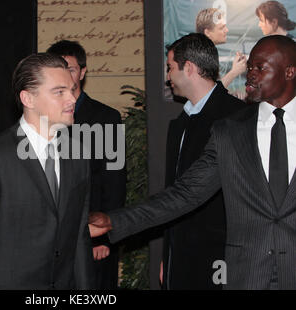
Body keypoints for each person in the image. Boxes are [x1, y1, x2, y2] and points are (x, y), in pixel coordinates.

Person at [89, 35, 296, 290]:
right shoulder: (231, 131)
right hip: (248, 276)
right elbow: (185, 193)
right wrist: (114, 221)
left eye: (260, 68)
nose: (250, 75)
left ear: (289, 72)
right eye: (250, 67)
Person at [0, 53, 95, 290]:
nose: (72, 99)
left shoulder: (78, 155)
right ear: (28, 99)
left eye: (72, 90)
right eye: (59, 92)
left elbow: (79, 238)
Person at [162, 33, 245, 290]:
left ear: (188, 68)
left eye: (170, 68)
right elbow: (172, 196)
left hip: (223, 261)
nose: (167, 77)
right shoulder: (179, 125)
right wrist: (168, 256)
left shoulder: (238, 117)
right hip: (182, 259)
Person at [46, 40, 126, 289]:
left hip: (93, 237)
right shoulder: (41, 117)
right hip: (51, 241)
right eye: (57, 68)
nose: (64, 75)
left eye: (69, 68)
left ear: (82, 71)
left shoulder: (107, 118)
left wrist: (104, 237)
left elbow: (115, 181)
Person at [195, 8, 247, 88]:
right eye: (221, 28)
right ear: (208, 32)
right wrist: (235, 71)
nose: (226, 30)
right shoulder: (200, 56)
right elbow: (210, 93)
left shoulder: (205, 51)